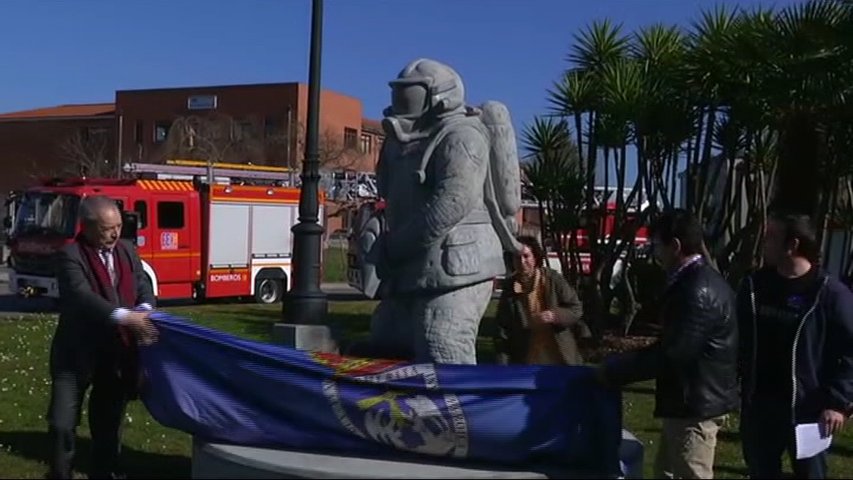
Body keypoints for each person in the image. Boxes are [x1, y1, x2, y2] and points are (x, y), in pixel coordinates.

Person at [365, 58, 518, 364]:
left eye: (411, 95)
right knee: (387, 338)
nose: (403, 103)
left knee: (441, 342)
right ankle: (396, 411)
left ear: (438, 98)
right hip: (409, 267)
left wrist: (398, 245)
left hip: (456, 267)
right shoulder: (398, 143)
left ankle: (456, 411)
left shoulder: (462, 136)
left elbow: (453, 202)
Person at [599, 208, 739, 479]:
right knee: (666, 472)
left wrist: (616, 371)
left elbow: (674, 353)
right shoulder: (696, 282)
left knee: (690, 473)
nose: (655, 253)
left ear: (675, 246)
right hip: (688, 402)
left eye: (657, 246)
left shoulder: (696, 290)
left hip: (695, 406)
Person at [46, 195, 158, 479]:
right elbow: (81, 297)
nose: (116, 233)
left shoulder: (127, 251)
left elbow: (143, 285)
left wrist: (144, 309)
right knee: (62, 424)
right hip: (74, 355)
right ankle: (61, 473)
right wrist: (126, 317)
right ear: (88, 227)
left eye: (119, 226)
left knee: (107, 425)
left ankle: (105, 472)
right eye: (109, 228)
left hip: (114, 355)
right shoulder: (69, 255)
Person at [737, 212, 853, 479]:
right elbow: (739, 341)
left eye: (771, 238)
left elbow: (850, 350)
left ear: (793, 245)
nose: (763, 243)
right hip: (760, 407)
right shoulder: (754, 287)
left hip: (808, 410)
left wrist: (838, 402)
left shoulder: (830, 295)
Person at [494, 235, 589, 365]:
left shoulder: (553, 279)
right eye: (517, 257)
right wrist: (502, 365)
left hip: (559, 356)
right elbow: (502, 329)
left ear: (535, 257)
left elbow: (576, 309)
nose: (522, 262)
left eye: (526, 256)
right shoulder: (510, 288)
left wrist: (555, 315)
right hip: (526, 358)